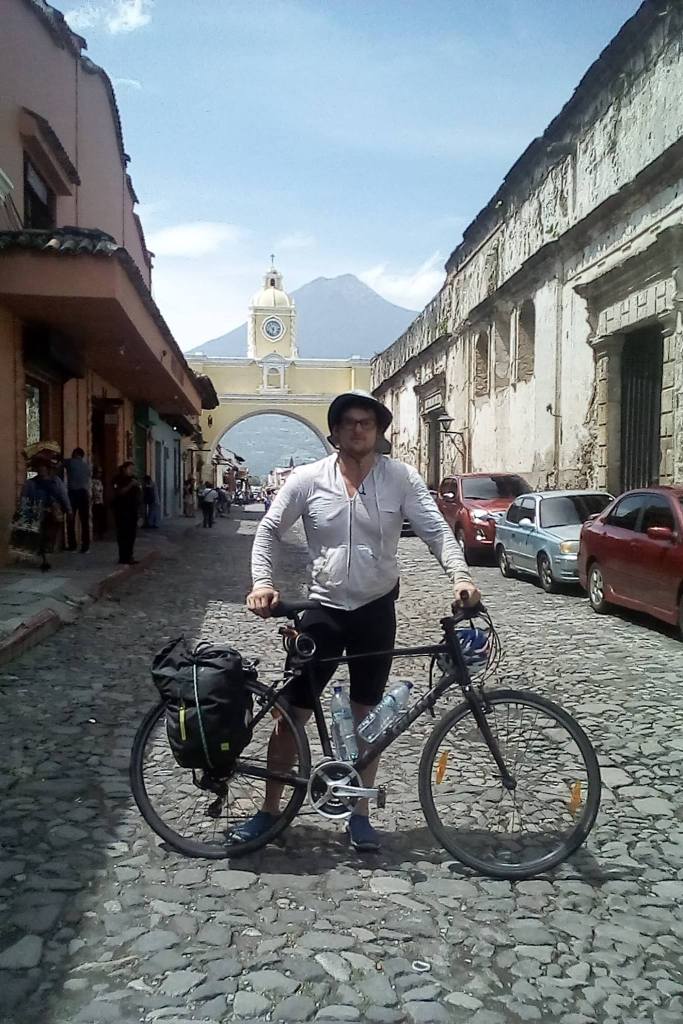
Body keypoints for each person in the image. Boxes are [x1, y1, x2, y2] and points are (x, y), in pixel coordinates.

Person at [243, 389, 480, 852]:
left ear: (378, 432)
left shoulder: (400, 479)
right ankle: (269, 809)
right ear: (333, 432)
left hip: (375, 610)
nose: (358, 429)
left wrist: (461, 577)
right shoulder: (308, 479)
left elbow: (436, 531)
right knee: (291, 714)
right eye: (349, 422)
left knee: (366, 716)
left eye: (366, 423)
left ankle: (359, 814)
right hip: (323, 610)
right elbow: (269, 528)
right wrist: (262, 582)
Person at [14, 446, 71, 572]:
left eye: (43, 468)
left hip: (52, 513)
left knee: (49, 536)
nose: (42, 470)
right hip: (37, 512)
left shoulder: (56, 481)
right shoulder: (30, 483)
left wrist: (68, 509)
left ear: (47, 468)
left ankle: (45, 556)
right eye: (39, 468)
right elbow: (24, 498)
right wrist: (22, 511)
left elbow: (63, 495)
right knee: (40, 536)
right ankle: (44, 560)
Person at [112, 462, 141, 565]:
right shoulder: (118, 479)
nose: (132, 471)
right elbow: (119, 492)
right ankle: (123, 557)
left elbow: (138, 495)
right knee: (122, 535)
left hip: (133, 511)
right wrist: (130, 485)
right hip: (122, 511)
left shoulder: (134, 478)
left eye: (133, 469)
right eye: (130, 469)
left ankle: (130, 556)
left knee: (131, 535)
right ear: (124, 469)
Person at [64, 447, 92, 553]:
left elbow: (58, 464)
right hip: (84, 493)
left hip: (73, 493)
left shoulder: (70, 462)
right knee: (84, 521)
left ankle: (72, 545)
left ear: (75, 454)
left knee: (70, 519)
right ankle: (85, 546)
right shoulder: (87, 466)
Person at [91, 469, 106, 540]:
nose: (100, 474)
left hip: (100, 502)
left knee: (101, 519)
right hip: (94, 503)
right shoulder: (92, 481)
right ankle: (95, 533)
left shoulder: (100, 482)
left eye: (100, 472)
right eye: (98, 472)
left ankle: (101, 533)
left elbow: (100, 492)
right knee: (95, 519)